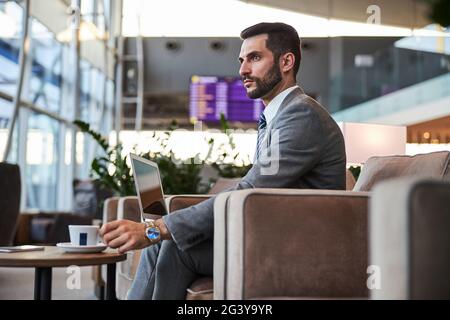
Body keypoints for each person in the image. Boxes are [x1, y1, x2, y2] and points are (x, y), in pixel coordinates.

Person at [100, 22, 346, 300]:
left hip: (299, 249)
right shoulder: (279, 116)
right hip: (275, 235)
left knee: (172, 244)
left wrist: (155, 228)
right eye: (241, 60)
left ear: (286, 61)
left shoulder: (301, 116)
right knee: (164, 242)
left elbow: (250, 190)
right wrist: (158, 230)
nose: (242, 70)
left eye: (255, 58)